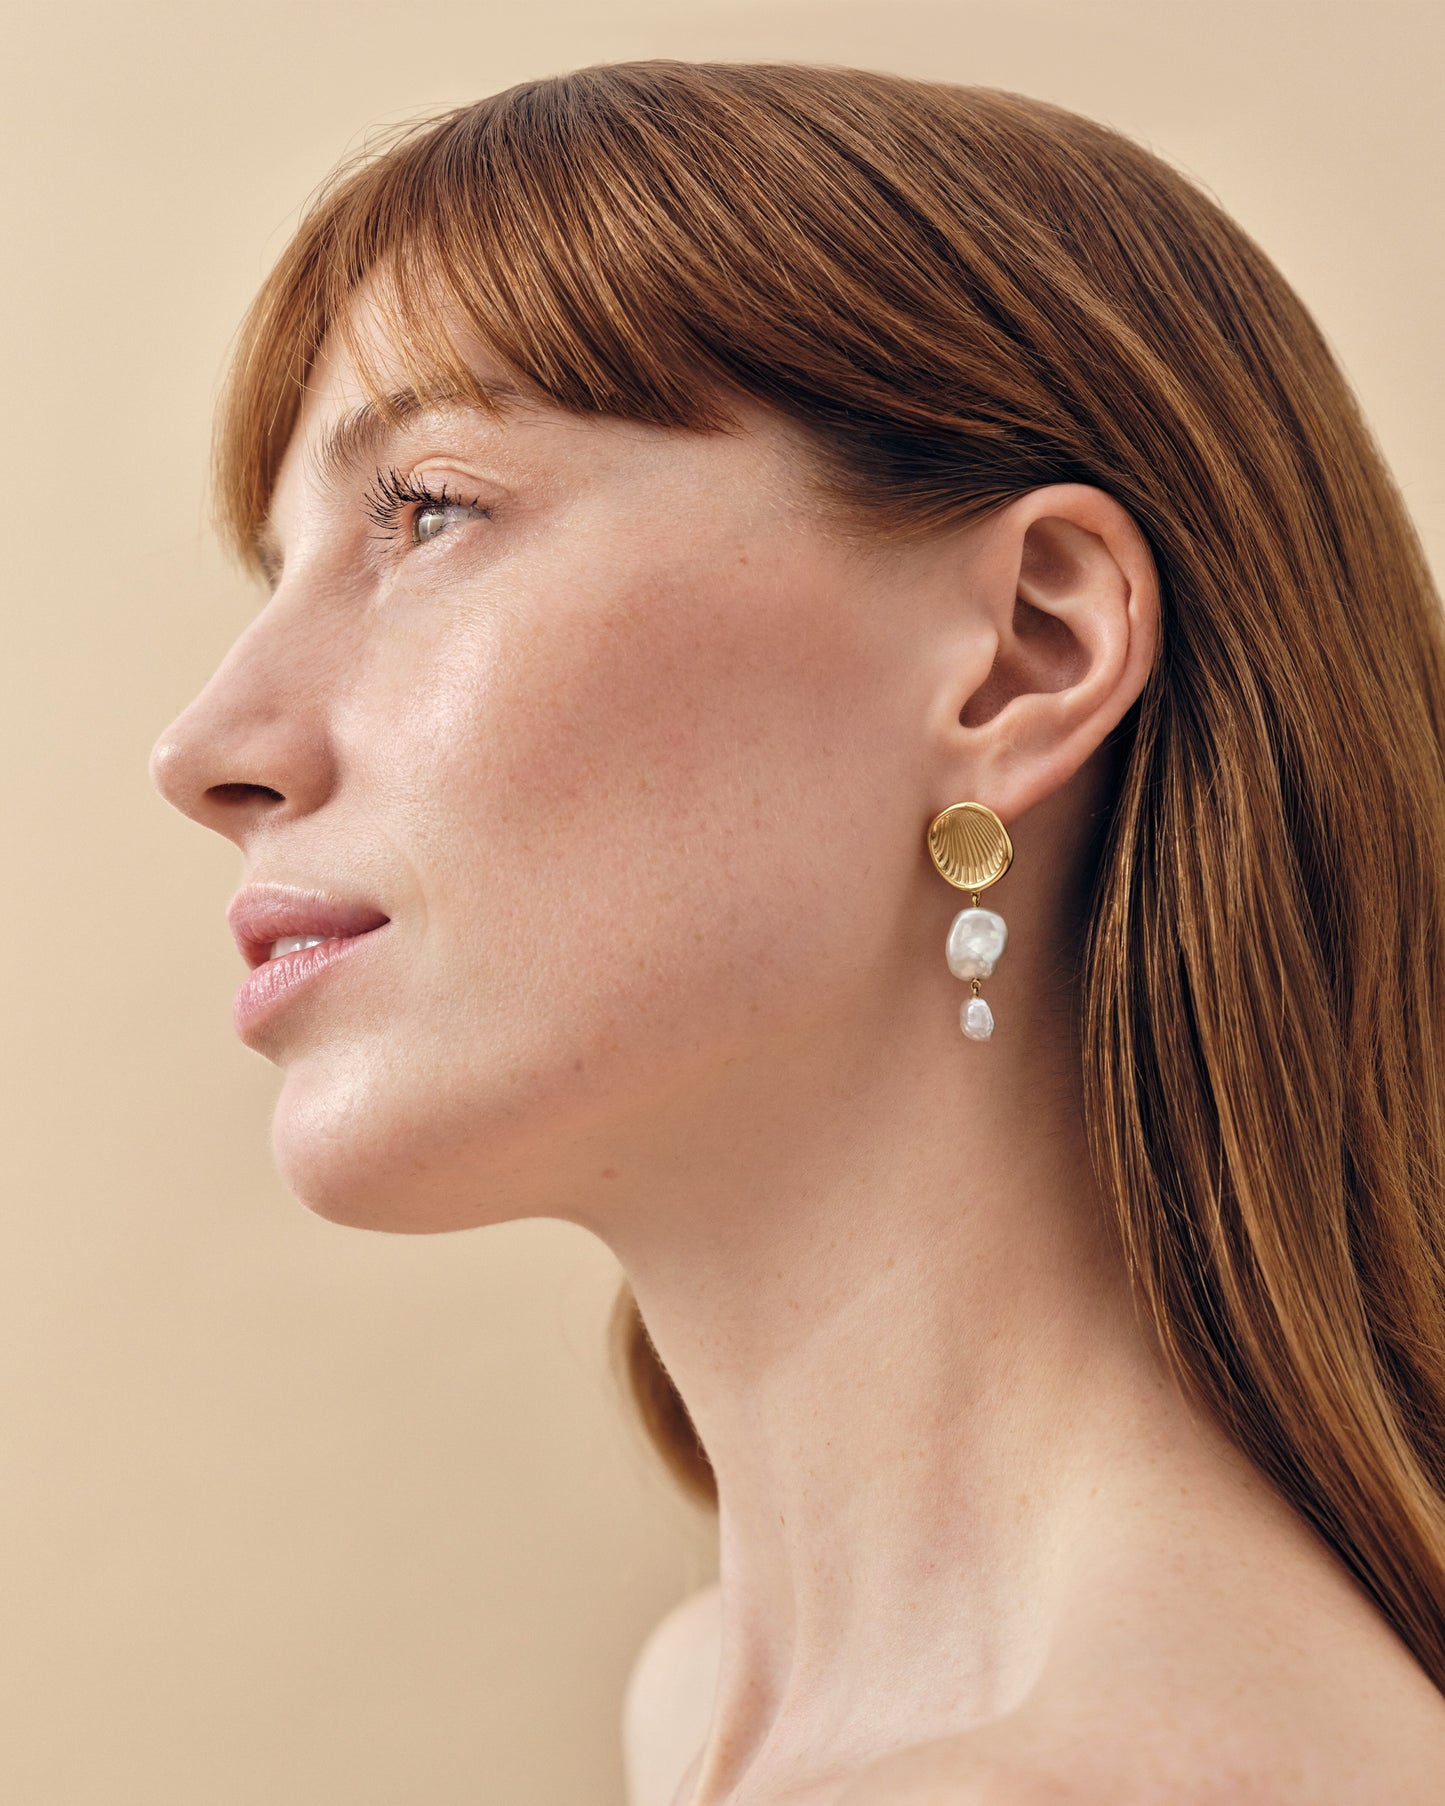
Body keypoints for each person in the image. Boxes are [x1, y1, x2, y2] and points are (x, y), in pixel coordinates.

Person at [148, 59, 1445, 1804]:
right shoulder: (708, 1710)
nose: (211, 748)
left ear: (1024, 652)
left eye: (430, 511)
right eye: (280, 569)